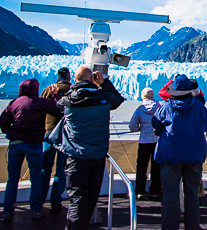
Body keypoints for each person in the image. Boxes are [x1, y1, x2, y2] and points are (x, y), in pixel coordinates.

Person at [47, 66, 124, 230]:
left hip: (76, 157)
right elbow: (118, 99)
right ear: (92, 79)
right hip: (97, 156)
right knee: (90, 199)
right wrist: (103, 83)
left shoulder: (68, 100)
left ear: (75, 80)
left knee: (77, 199)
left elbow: (59, 105)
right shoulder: (104, 97)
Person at [152, 74, 207, 230]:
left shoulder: (165, 107)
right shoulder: (200, 108)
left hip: (170, 156)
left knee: (170, 196)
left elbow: (156, 125)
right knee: (192, 196)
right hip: (193, 156)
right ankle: (192, 227)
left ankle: (169, 227)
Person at [0, 78, 61, 221]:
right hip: (33, 144)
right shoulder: (39, 101)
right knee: (36, 177)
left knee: (13, 178)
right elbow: (58, 109)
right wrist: (54, 95)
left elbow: (3, 121)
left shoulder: (14, 103)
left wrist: (9, 132)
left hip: (15, 143)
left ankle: (8, 211)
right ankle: (36, 209)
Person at [40, 67, 72, 214]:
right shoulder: (73, 90)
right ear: (69, 77)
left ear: (58, 76)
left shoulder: (48, 89)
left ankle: (39, 200)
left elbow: (39, 108)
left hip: (49, 133)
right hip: (66, 135)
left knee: (45, 167)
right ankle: (56, 200)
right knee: (61, 168)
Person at [129, 87, 161, 200]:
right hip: (157, 140)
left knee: (142, 166)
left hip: (144, 141)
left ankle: (139, 191)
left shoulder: (140, 109)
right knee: (157, 167)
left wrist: (141, 128)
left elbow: (132, 126)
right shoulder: (159, 107)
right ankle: (155, 190)